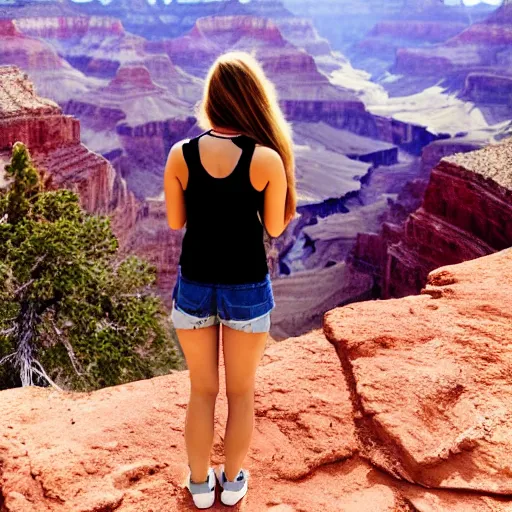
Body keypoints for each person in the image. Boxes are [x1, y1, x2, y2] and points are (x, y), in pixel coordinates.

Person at [163, 50, 297, 508]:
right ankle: (234, 479)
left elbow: (176, 222)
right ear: (252, 100)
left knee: (202, 391)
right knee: (241, 393)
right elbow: (276, 228)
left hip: (195, 285)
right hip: (247, 288)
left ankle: (199, 484)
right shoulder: (266, 159)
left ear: (212, 98)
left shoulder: (180, 154)